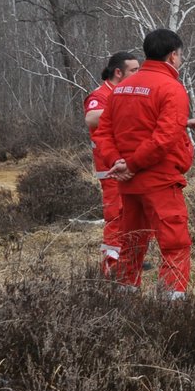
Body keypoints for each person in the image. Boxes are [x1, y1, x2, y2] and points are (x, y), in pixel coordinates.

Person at [94, 28, 194, 299]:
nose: (180, 60)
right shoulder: (171, 88)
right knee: (174, 243)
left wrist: (118, 163)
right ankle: (171, 304)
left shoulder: (121, 88)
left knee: (131, 242)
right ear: (173, 56)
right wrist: (133, 165)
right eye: (180, 55)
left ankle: (125, 299)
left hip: (129, 183)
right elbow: (163, 138)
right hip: (159, 180)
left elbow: (103, 132)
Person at [83, 50, 139, 277]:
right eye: (134, 70)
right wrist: (124, 109)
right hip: (110, 168)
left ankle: (127, 258)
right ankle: (110, 265)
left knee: (131, 215)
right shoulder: (102, 94)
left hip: (128, 165)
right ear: (118, 72)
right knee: (115, 216)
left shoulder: (128, 92)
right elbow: (91, 117)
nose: (138, 74)